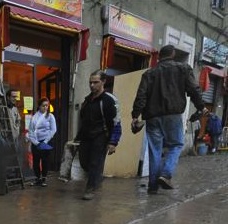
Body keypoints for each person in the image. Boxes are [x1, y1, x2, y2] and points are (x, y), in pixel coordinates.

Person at [132, 45, 207, 194]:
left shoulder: (149, 73)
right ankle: (166, 174)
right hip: (172, 115)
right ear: (173, 54)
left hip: (152, 117)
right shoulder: (183, 69)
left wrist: (135, 115)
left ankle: (152, 187)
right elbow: (194, 89)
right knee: (177, 145)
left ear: (159, 56)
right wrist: (201, 106)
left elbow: (141, 95)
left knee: (154, 150)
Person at [76, 70, 122, 200]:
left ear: (103, 82)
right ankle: (97, 178)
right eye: (90, 82)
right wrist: (77, 137)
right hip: (86, 137)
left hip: (101, 136)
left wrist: (113, 142)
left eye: (95, 82)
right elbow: (83, 121)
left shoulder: (109, 100)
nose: (92, 85)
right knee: (84, 162)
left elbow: (116, 122)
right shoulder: (87, 100)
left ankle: (90, 189)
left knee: (95, 163)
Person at [28, 97, 57, 187]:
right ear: (39, 106)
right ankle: (38, 178)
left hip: (46, 141)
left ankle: (44, 178)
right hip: (36, 142)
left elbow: (53, 130)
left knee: (45, 160)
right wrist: (36, 142)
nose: (45, 107)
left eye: (47, 106)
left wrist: (45, 141)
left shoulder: (50, 116)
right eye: (43, 106)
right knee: (36, 161)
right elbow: (31, 131)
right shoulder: (34, 117)